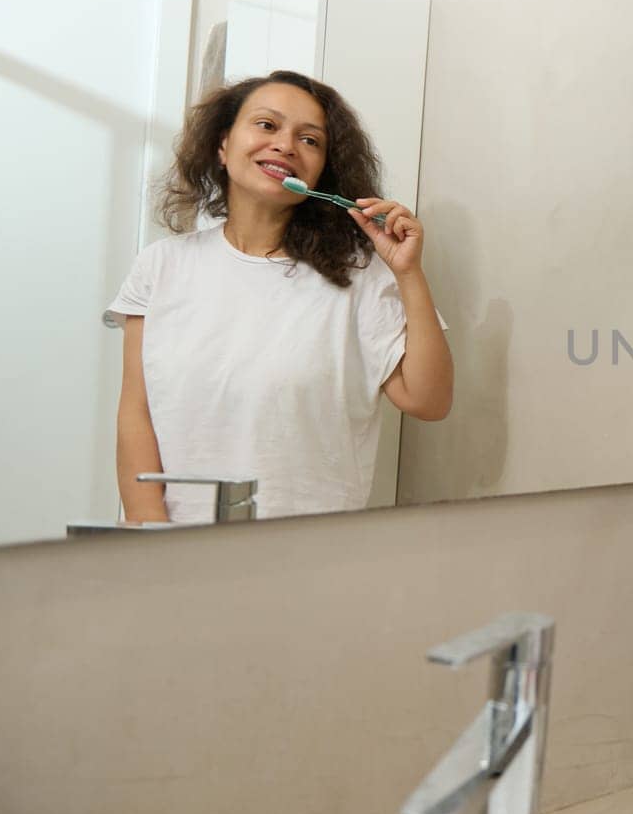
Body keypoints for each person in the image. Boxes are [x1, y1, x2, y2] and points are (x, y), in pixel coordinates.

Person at [107, 70, 453, 522]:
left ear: (322, 169)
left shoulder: (361, 276)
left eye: (310, 140)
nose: (286, 145)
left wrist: (407, 273)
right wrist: (150, 538)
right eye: (267, 125)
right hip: (177, 551)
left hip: (309, 552)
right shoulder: (160, 267)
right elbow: (137, 416)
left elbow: (429, 400)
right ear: (222, 145)